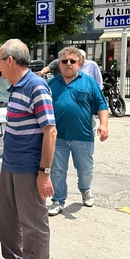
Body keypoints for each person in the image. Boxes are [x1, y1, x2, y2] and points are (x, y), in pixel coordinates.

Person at [0, 39, 56, 259]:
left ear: (11, 61)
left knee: (33, 222)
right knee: (6, 217)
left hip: (29, 167)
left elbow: (50, 131)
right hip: (11, 165)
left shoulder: (36, 87)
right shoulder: (16, 87)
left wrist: (44, 173)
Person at [46, 47, 110, 216]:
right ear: (59, 64)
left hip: (83, 136)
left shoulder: (89, 82)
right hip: (57, 137)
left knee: (85, 170)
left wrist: (104, 125)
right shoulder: (51, 85)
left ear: (79, 63)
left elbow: (102, 106)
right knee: (57, 170)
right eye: (64, 61)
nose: (68, 64)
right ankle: (58, 200)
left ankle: (85, 190)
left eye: (72, 61)